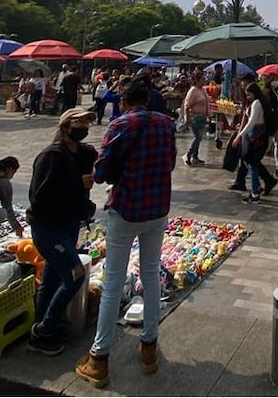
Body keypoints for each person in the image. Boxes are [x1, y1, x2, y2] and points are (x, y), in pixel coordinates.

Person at [75, 82, 177, 386]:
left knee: (113, 282)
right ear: (148, 100)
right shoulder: (166, 124)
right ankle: (149, 347)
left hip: (127, 208)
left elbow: (101, 173)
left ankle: (100, 358)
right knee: (150, 275)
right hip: (157, 208)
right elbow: (170, 163)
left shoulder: (120, 124)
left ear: (123, 101)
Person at [27, 107, 98, 356]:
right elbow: (40, 197)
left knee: (52, 276)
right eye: (78, 122)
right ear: (66, 126)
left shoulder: (85, 152)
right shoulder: (50, 156)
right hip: (48, 226)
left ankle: (42, 322)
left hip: (70, 222)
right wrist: (76, 184)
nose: (84, 127)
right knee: (75, 274)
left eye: (87, 122)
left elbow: (106, 163)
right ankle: (45, 329)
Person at [233, 83, 278, 203]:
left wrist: (240, 136)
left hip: (255, 133)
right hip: (253, 132)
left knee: (251, 163)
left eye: (249, 94)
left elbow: (251, 122)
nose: (248, 97)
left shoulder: (257, 103)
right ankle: (257, 187)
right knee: (251, 162)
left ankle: (255, 193)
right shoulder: (256, 103)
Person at [182, 72, 210, 166]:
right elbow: (187, 106)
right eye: (202, 79)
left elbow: (206, 102)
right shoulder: (193, 91)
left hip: (202, 117)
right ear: (197, 80)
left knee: (200, 137)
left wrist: (207, 114)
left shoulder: (202, 90)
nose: (204, 80)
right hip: (194, 117)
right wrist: (187, 118)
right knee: (197, 137)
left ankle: (195, 157)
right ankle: (188, 154)